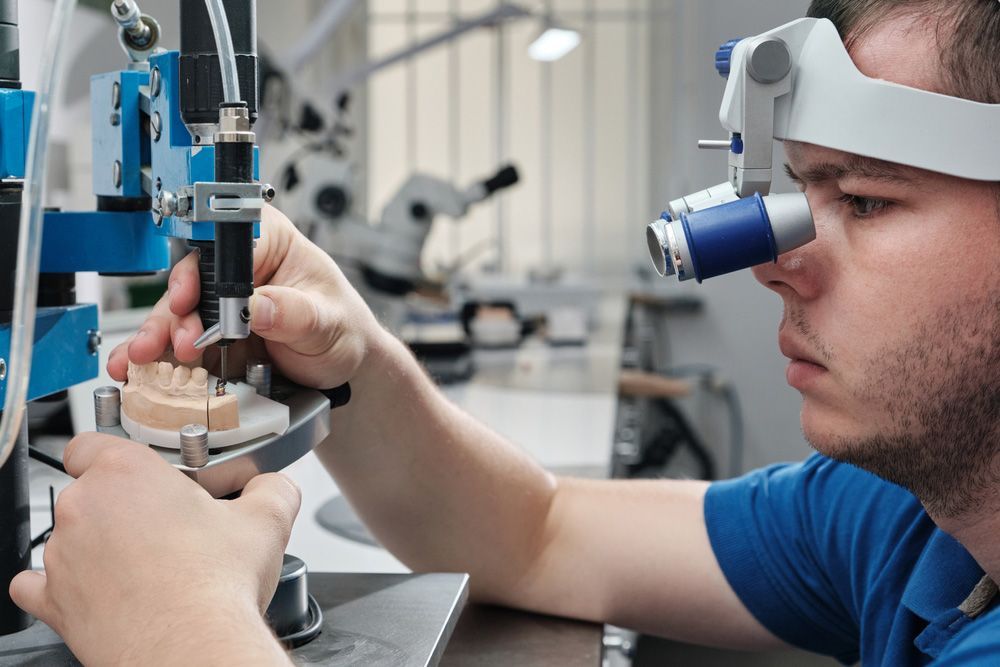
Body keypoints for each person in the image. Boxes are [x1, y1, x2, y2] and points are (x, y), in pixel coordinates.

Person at [9, 0, 1000, 663]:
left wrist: (181, 633)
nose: (776, 259)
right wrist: (350, 354)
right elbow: (535, 532)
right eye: (801, 192)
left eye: (866, 200)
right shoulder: (900, 520)